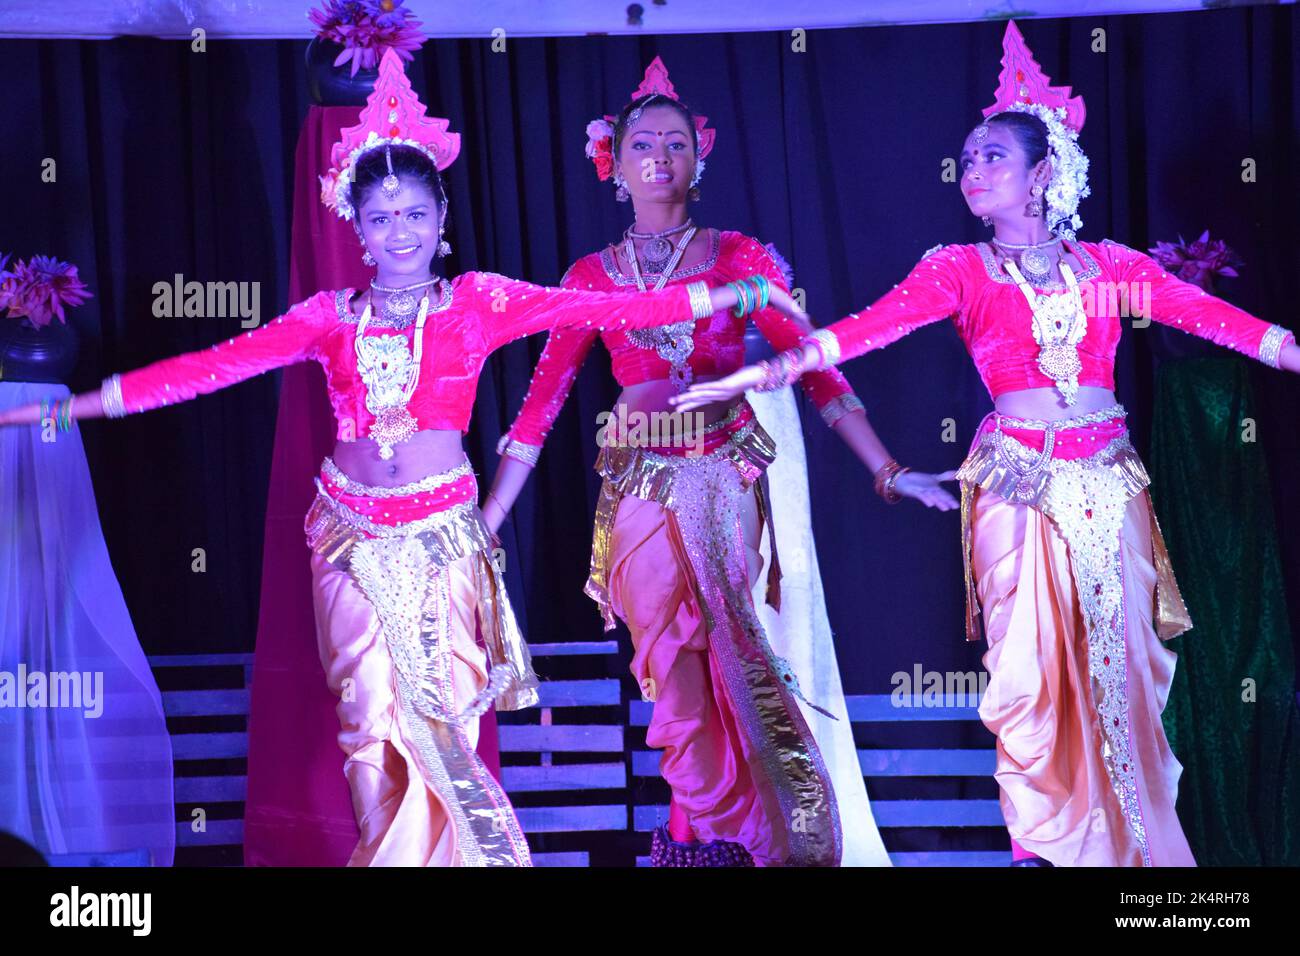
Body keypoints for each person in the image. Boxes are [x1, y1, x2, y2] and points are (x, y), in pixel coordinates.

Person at [0, 49, 772, 867]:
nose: (397, 232)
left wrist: (725, 293)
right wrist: (78, 406)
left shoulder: (479, 302)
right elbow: (216, 364)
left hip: (440, 534)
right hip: (348, 536)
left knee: (440, 723)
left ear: (440, 221)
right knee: (368, 725)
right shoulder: (329, 317)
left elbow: (601, 302)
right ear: (357, 228)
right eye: (380, 218)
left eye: (412, 215)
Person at [666, 21, 1298, 866]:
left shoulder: (1113, 266)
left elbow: (1214, 318)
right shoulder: (958, 271)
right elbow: (866, 329)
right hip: (1015, 484)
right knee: (1028, 682)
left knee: (1125, 681)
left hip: (1108, 482)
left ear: (1044, 175)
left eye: (993, 156)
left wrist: (1288, 347)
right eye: (967, 161)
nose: (973, 172)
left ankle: (1140, 868)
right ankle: (1039, 853)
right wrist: (770, 370)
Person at [484, 59, 955, 867]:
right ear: (614, 162)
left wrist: (889, 470)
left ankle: (758, 837)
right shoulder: (589, 279)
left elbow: (816, 371)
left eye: (675, 142)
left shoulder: (739, 256)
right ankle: (696, 836)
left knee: (733, 650)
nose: (659, 156)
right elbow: (539, 406)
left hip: (722, 476)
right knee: (667, 670)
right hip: (636, 484)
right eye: (643, 143)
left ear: (699, 158)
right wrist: (488, 519)